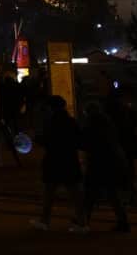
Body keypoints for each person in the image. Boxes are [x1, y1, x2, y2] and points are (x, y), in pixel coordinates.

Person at [30, 96, 86, 233]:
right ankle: (81, 222)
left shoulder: (50, 122)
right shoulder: (71, 121)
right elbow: (80, 140)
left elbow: (46, 141)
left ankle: (44, 221)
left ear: (51, 108)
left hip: (54, 161)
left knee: (49, 192)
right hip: (70, 160)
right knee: (75, 193)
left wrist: (38, 138)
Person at [81, 102, 130, 232]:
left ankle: (83, 220)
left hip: (99, 163)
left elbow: (86, 142)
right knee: (112, 194)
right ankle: (123, 221)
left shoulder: (92, 125)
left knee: (90, 194)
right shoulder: (108, 124)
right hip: (113, 162)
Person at [106, 85, 137, 205]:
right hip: (127, 145)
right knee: (129, 171)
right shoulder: (128, 110)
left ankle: (127, 196)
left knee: (121, 171)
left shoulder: (112, 111)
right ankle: (133, 196)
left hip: (119, 145)